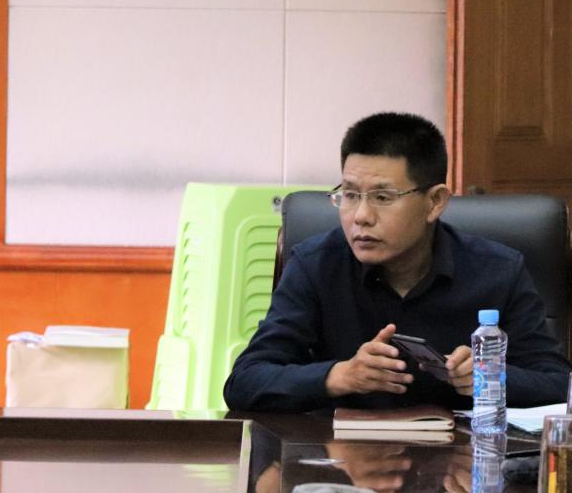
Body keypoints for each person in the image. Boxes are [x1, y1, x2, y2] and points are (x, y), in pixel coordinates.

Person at [225, 111, 570, 411]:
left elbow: (558, 383)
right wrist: (338, 376)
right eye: (350, 194)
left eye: (383, 197)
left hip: (461, 461)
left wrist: (490, 377)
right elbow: (244, 382)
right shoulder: (315, 265)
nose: (361, 216)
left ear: (435, 202)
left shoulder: (498, 271)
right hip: (341, 460)